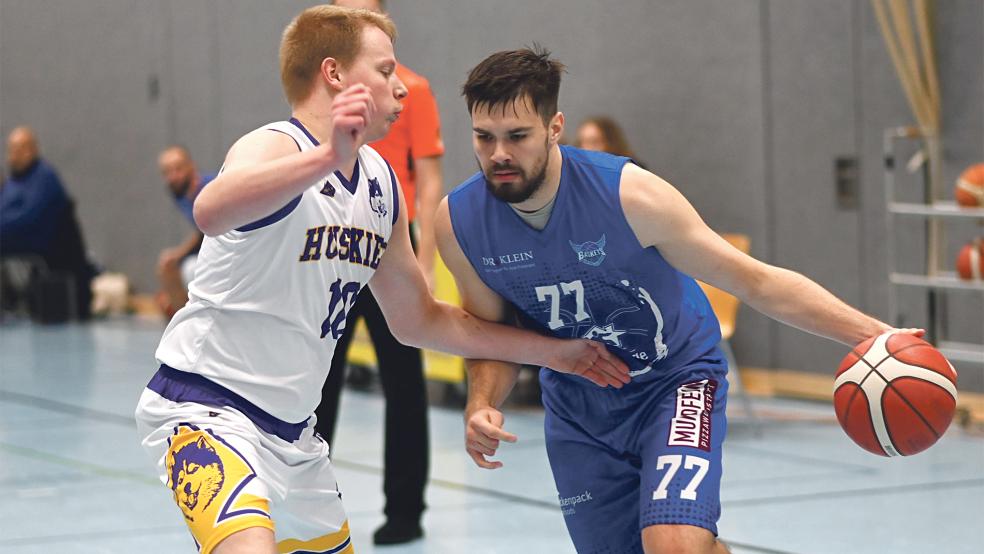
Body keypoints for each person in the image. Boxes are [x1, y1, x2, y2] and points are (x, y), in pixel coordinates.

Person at [133, 9, 629, 554]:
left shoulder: (380, 184)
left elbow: (420, 319)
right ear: (335, 74)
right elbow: (210, 211)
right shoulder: (275, 146)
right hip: (207, 409)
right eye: (387, 70)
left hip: (294, 437)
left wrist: (550, 351)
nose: (401, 88)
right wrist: (326, 157)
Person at [434, 47, 922, 554]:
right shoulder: (460, 223)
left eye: (517, 136)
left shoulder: (630, 195)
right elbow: (492, 337)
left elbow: (755, 281)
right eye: (483, 137)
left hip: (675, 380)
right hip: (579, 407)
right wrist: (481, 404)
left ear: (555, 127)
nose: (498, 155)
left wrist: (874, 334)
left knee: (674, 545)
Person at [315, 0, 443, 544]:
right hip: (333, 244)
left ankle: (407, 509)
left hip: (392, 246)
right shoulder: (325, 86)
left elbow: (432, 180)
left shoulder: (411, 89)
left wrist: (427, 263)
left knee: (404, 384)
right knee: (320, 382)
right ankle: (313, 502)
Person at [1, 126, 94, 320]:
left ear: (33, 150)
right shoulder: (13, 181)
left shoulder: (44, 178)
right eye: (12, 149)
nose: (15, 155)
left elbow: (29, 218)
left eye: (20, 149)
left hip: (43, 243)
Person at [156, 145, 215, 319]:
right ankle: (183, 319)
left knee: (190, 269)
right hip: (210, 246)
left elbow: (209, 230)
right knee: (167, 267)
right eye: (167, 172)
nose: (173, 176)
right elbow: (201, 230)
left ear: (192, 167)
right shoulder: (180, 194)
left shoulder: (208, 189)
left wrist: (179, 253)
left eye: (178, 169)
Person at [575, 115, 645, 167]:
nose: (585, 148)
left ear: (611, 143)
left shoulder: (633, 171)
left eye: (594, 142)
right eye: (581, 142)